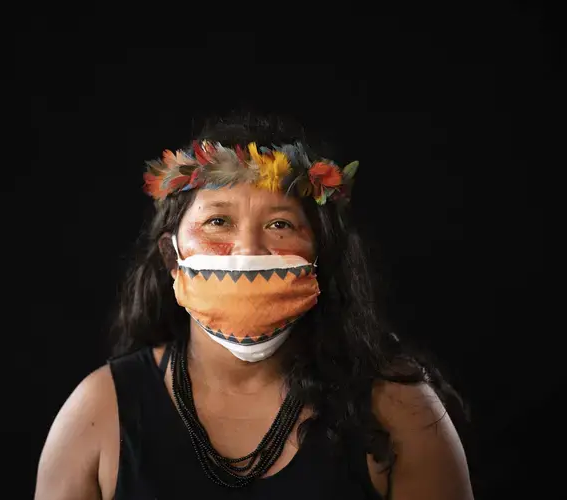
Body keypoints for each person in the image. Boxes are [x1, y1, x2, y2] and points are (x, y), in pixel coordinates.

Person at [34, 113, 474, 499]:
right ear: (172, 257)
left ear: (320, 256)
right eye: (218, 222)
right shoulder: (99, 412)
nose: (247, 249)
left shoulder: (400, 412)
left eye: (280, 224)